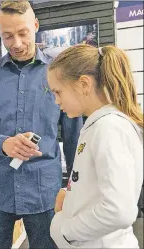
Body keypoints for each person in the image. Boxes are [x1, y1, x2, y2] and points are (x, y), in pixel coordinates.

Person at [0, 1, 83, 248]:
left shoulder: (57, 73)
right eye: (7, 36)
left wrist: (76, 188)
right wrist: (3, 143)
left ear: (36, 26)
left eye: (22, 33)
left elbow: (74, 136)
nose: (16, 44)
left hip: (45, 193)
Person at [49, 45, 143, 248]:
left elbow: (118, 210)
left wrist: (65, 231)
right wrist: (71, 200)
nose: (56, 100)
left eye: (58, 92)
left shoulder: (108, 128)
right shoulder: (99, 125)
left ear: (84, 84)